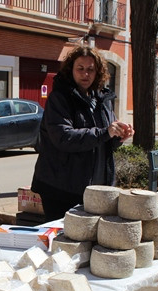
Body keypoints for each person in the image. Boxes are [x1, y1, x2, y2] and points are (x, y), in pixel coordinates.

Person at [31, 45, 134, 221]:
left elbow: (104, 139)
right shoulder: (60, 98)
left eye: (90, 70)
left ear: (98, 72)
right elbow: (64, 137)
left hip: (96, 188)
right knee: (65, 244)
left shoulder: (102, 99)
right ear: (71, 69)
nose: (85, 74)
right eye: (80, 69)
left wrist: (118, 136)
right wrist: (104, 133)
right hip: (62, 189)